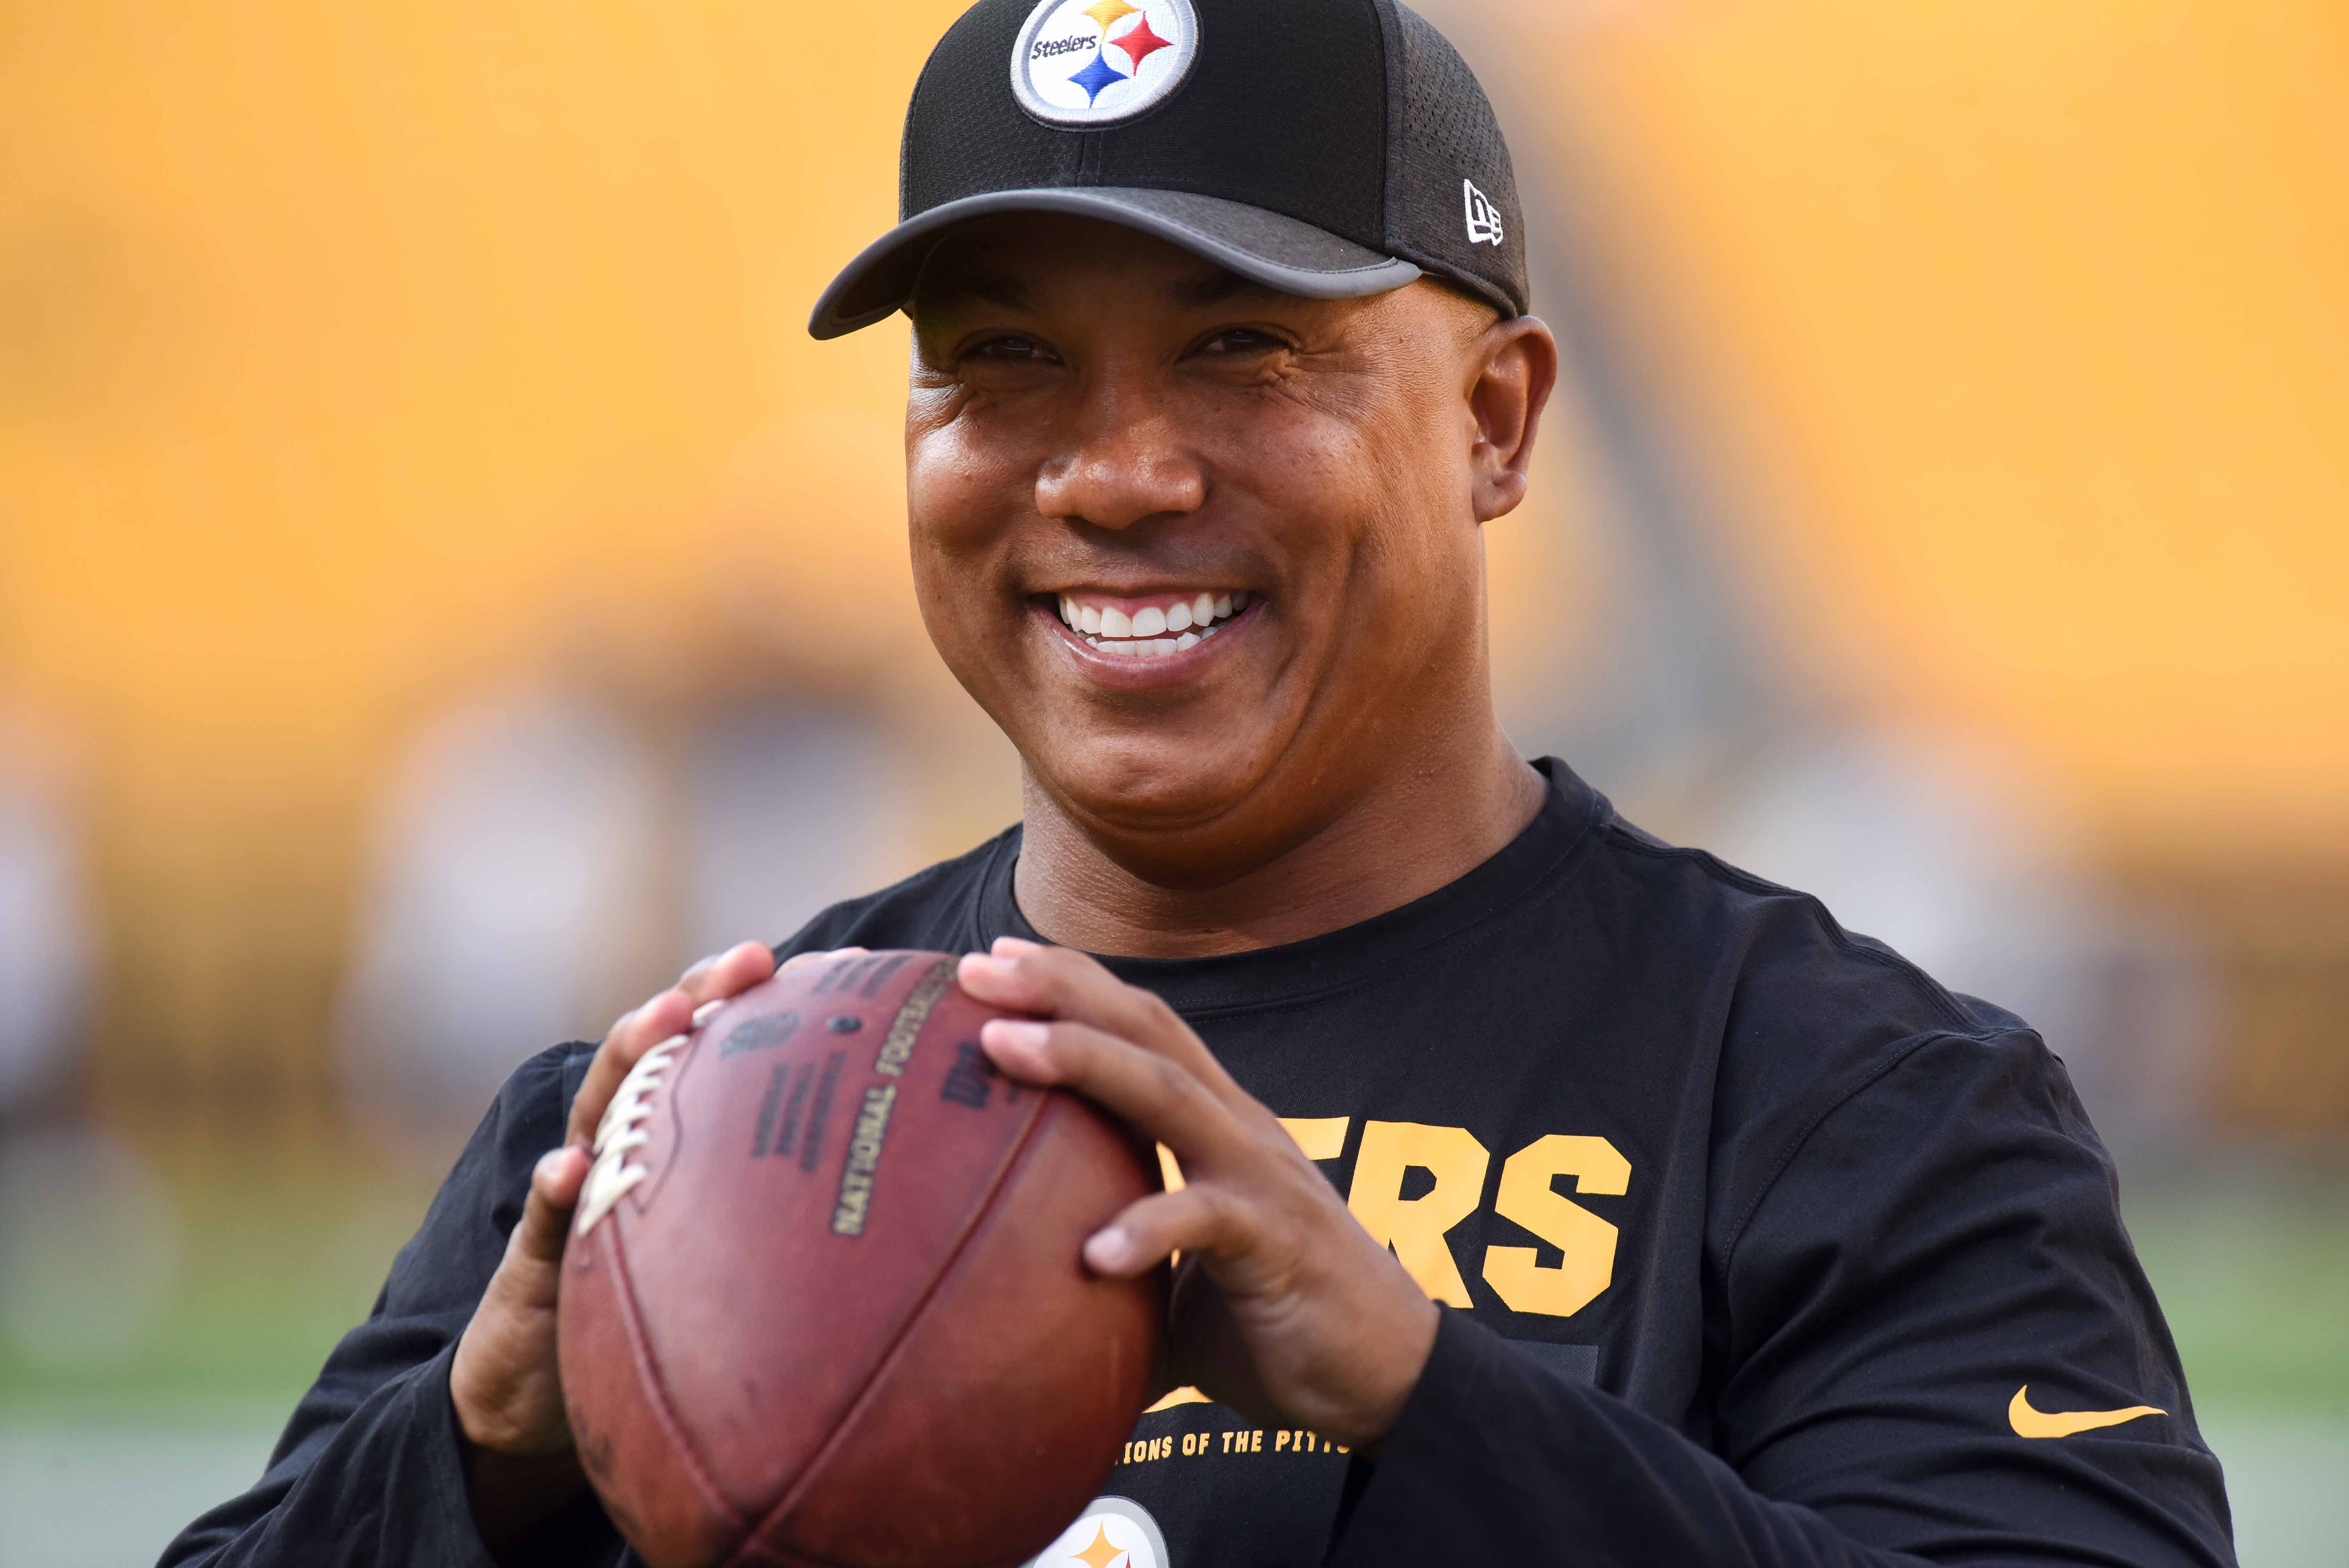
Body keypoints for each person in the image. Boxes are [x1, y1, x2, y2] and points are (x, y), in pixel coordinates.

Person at [164, 1, 2235, 1564]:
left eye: (1243, 346)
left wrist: (1431, 1410)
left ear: (1498, 422)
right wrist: (476, 1454)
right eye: (997, 359)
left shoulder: (1849, 1102)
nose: (1111, 471)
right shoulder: (655, 1122)